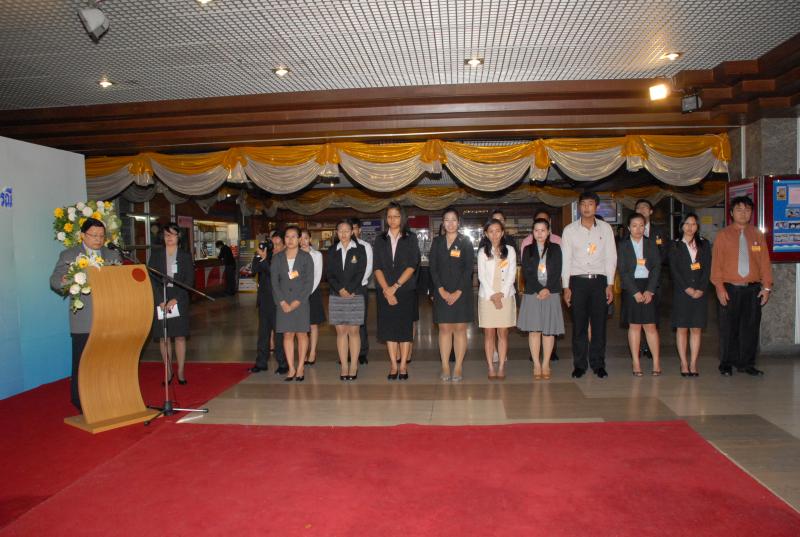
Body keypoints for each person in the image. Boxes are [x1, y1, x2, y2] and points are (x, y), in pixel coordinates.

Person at [50, 217, 121, 412]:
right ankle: (81, 402)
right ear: (83, 235)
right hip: (84, 319)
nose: (98, 239)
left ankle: (107, 397)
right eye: (94, 235)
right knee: (83, 364)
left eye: (101, 236)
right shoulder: (69, 255)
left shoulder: (112, 254)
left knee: (107, 362)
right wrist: (68, 280)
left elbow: (121, 280)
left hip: (109, 318)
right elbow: (55, 280)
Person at [710, 196, 773, 376]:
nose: (743, 213)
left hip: (753, 289)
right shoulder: (723, 235)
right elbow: (716, 265)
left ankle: (747, 363)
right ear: (731, 213)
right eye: (739, 210)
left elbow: (765, 262)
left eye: (747, 210)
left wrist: (766, 287)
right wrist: (719, 288)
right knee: (728, 328)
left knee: (750, 328)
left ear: (751, 213)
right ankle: (726, 363)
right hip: (730, 288)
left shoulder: (757, 234)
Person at [561, 191, 617, 379]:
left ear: (596, 207)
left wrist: (610, 284)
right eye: (583, 204)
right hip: (577, 282)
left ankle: (598, 364)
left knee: (599, 326)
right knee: (579, 326)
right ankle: (579, 365)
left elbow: (611, 257)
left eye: (590, 204)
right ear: (579, 207)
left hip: (599, 282)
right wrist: (566, 287)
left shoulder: (605, 229)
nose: (586, 208)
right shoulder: (569, 230)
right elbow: (566, 260)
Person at [373, 202, 420, 381]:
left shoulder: (411, 238)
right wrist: (387, 289)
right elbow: (377, 266)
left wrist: (395, 287)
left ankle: (403, 365)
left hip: (405, 289)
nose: (392, 220)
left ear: (402, 218)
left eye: (396, 216)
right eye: (390, 216)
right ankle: (393, 364)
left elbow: (412, 264)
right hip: (384, 290)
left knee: (404, 329)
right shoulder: (380, 239)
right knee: (389, 329)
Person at [429, 207, 474, 382]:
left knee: (460, 329)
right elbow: (432, 268)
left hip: (461, 293)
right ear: (443, 223)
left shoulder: (465, 242)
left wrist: (457, 292)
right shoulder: (437, 242)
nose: (450, 223)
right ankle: (445, 366)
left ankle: (459, 366)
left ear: (458, 222)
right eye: (447, 220)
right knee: (445, 329)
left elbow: (468, 269)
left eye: (453, 220)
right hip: (441, 292)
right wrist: (440, 290)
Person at [147, 223, 195, 384]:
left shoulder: (185, 256)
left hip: (179, 297)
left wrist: (176, 299)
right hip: (161, 297)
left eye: (173, 234)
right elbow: (152, 279)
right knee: (164, 337)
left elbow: (189, 280)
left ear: (178, 237)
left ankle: (180, 371)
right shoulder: (156, 255)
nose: (169, 237)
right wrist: (160, 299)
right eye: (167, 235)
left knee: (180, 336)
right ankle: (168, 371)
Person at [517, 218, 564, 380]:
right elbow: (527, 272)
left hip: (551, 292)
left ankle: (546, 364)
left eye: (543, 230)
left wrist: (547, 288)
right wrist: (539, 288)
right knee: (534, 330)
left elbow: (558, 270)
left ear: (548, 231)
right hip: (533, 293)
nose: (539, 233)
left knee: (549, 331)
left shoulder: (556, 248)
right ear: (532, 232)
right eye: (536, 230)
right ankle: (536, 364)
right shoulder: (527, 249)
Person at [618, 213, 662, 376]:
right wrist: (635, 292)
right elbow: (622, 270)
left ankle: (656, 362)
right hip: (631, 287)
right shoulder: (623, 245)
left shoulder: (651, 244)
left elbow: (657, 267)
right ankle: (636, 362)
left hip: (648, 286)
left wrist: (650, 290)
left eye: (641, 225)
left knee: (650, 326)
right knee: (635, 325)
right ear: (629, 228)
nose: (638, 229)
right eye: (634, 226)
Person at [270, 226, 314, 381]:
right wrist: (282, 302)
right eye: (287, 236)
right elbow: (274, 282)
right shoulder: (277, 258)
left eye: (293, 236)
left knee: (302, 334)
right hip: (283, 303)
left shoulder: (306, 257)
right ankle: (291, 368)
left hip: (301, 302)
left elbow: (309, 283)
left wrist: (297, 302)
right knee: (287, 335)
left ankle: (300, 367)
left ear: (299, 239)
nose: (290, 240)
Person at [670, 213, 711, 377]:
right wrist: (687, 288)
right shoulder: (675, 245)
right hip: (682, 293)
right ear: (681, 226)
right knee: (682, 329)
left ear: (697, 226)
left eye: (693, 224)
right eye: (687, 224)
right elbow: (674, 270)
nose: (690, 227)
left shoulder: (704, 244)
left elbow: (707, 268)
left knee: (696, 328)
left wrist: (701, 288)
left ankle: (693, 363)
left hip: (700, 293)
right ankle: (684, 363)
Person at [327, 219, 367, 381]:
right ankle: (344, 365)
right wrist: (340, 289)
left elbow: (361, 272)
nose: (343, 233)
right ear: (336, 233)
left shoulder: (360, 249)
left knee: (354, 331)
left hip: (355, 294)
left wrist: (349, 289)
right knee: (341, 332)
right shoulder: (332, 250)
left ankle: (354, 365)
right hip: (336, 294)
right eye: (340, 230)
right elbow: (329, 274)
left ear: (352, 232)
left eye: (346, 230)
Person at [477, 218, 517, 380]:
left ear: (502, 232)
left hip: (505, 296)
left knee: (503, 333)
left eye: (498, 231)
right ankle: (490, 367)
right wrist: (493, 295)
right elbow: (481, 276)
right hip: (487, 297)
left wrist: (502, 294)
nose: (494, 234)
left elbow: (512, 274)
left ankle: (501, 366)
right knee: (489, 334)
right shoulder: (482, 252)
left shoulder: (510, 250)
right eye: (491, 231)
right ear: (486, 234)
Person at [631, 199, 669, 360]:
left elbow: (665, 253)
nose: (642, 209)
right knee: (635, 317)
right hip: (635, 280)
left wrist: (652, 264)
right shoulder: (629, 230)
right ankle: (638, 346)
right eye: (639, 207)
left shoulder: (659, 231)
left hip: (655, 280)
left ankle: (650, 346)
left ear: (651, 211)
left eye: (645, 207)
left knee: (653, 315)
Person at [249, 234, 289, 375]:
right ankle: (261, 363)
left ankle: (283, 363)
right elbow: (254, 270)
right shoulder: (267, 256)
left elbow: (275, 275)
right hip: (264, 301)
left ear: (284, 246)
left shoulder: (285, 258)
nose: (275, 247)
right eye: (273, 243)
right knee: (263, 334)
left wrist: (265, 259)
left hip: (279, 303)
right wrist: (258, 256)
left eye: (278, 244)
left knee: (279, 335)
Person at [300, 229, 325, 366]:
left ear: (310, 239)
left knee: (313, 324)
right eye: (300, 238)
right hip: (297, 293)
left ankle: (312, 352)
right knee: (301, 325)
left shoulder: (317, 255)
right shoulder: (293, 254)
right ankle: (303, 352)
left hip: (312, 292)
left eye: (305, 238)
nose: (303, 241)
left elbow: (317, 275)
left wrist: (307, 292)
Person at [352, 218, 373, 365]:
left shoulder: (366, 246)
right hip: (343, 292)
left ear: (359, 230)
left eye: (354, 228)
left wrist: (355, 285)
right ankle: (347, 352)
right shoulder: (339, 247)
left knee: (360, 322)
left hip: (360, 289)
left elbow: (368, 268)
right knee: (345, 323)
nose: (351, 231)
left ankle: (362, 353)